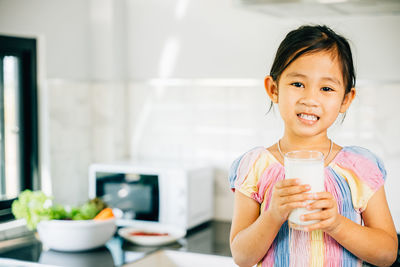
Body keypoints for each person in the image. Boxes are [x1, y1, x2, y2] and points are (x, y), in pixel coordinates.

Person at [228, 25, 398, 267]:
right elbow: (242, 257)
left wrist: (336, 224)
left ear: (345, 99)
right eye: (298, 84)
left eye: (326, 88)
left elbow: (387, 254)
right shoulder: (255, 166)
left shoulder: (359, 168)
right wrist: (273, 215)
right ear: (273, 89)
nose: (310, 99)